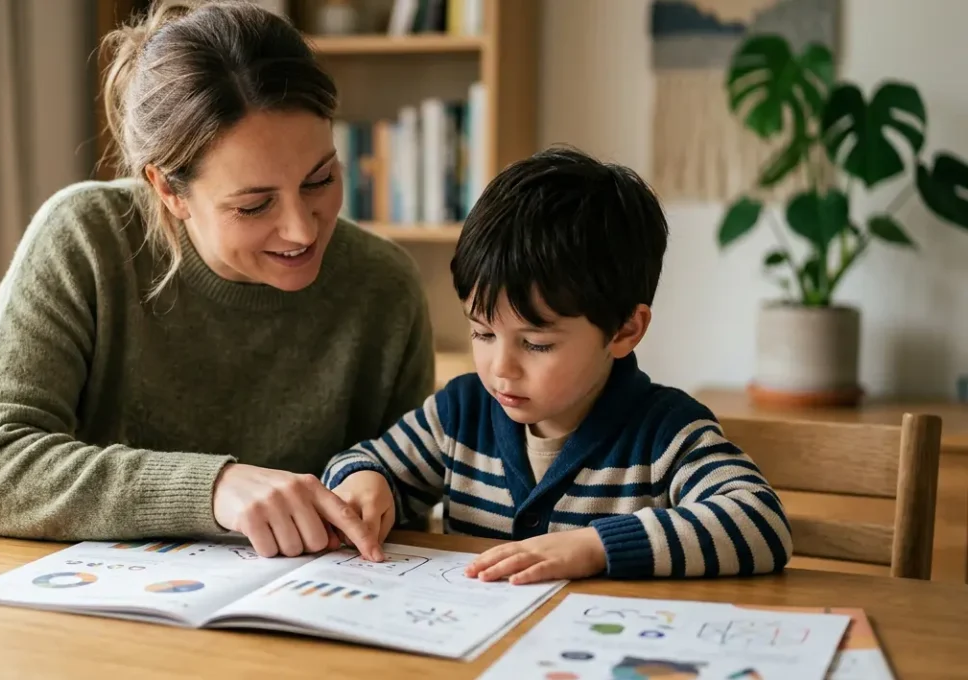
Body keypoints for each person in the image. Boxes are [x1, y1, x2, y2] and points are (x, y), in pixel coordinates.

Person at [0, 0, 435, 562]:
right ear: (167, 190)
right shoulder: (85, 239)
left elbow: (410, 505)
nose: (302, 230)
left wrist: (382, 488)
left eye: (320, 179)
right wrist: (214, 488)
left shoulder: (385, 288)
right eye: (253, 205)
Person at [323, 147, 793, 583]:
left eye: (536, 344)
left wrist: (596, 547)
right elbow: (362, 462)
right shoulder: (459, 414)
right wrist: (365, 481)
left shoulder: (664, 434)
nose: (501, 368)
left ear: (624, 330)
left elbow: (760, 521)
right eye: (483, 333)